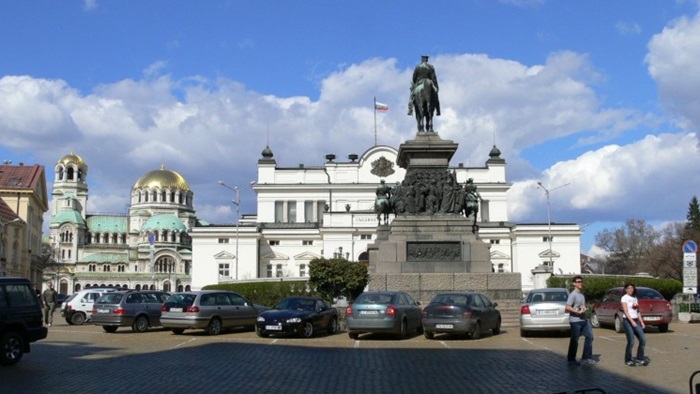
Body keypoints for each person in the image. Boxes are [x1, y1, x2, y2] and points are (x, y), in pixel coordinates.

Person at [565, 275, 596, 366]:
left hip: (583, 320)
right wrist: (577, 311)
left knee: (590, 336)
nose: (580, 283)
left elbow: (582, 306)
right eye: (578, 282)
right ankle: (571, 359)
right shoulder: (573, 295)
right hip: (575, 321)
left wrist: (584, 309)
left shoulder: (581, 295)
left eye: (581, 281)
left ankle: (586, 358)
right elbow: (567, 306)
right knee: (575, 340)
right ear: (574, 283)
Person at [621, 282, 648, 366]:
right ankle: (628, 360)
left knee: (643, 339)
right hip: (628, 320)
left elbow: (637, 311)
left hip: (636, 320)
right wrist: (631, 321)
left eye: (632, 288)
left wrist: (642, 322)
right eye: (628, 288)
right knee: (631, 341)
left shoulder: (635, 298)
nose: (630, 289)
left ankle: (640, 358)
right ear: (626, 289)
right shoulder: (624, 298)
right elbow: (626, 311)